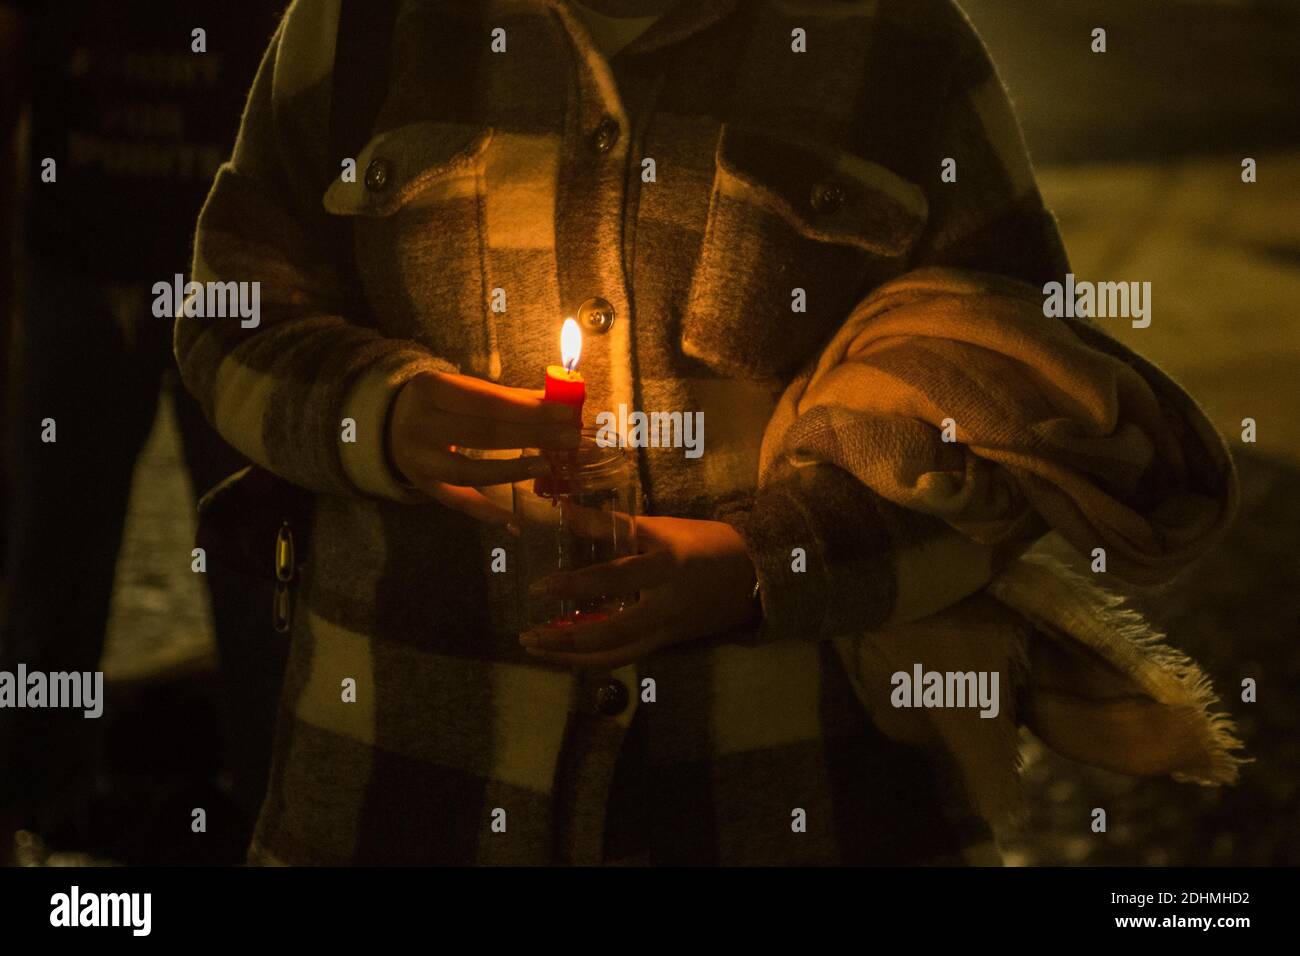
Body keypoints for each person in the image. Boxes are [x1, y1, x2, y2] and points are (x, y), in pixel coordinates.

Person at [174, 0, 1175, 865]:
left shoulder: (893, 42)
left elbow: (1019, 416)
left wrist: (759, 561)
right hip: (394, 785)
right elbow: (226, 307)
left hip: (797, 798)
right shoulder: (362, 26)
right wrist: (374, 409)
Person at [0, 0, 285, 864]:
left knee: (250, 573)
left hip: (214, 290)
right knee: (60, 562)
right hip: (91, 273)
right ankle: (39, 806)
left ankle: (276, 811)